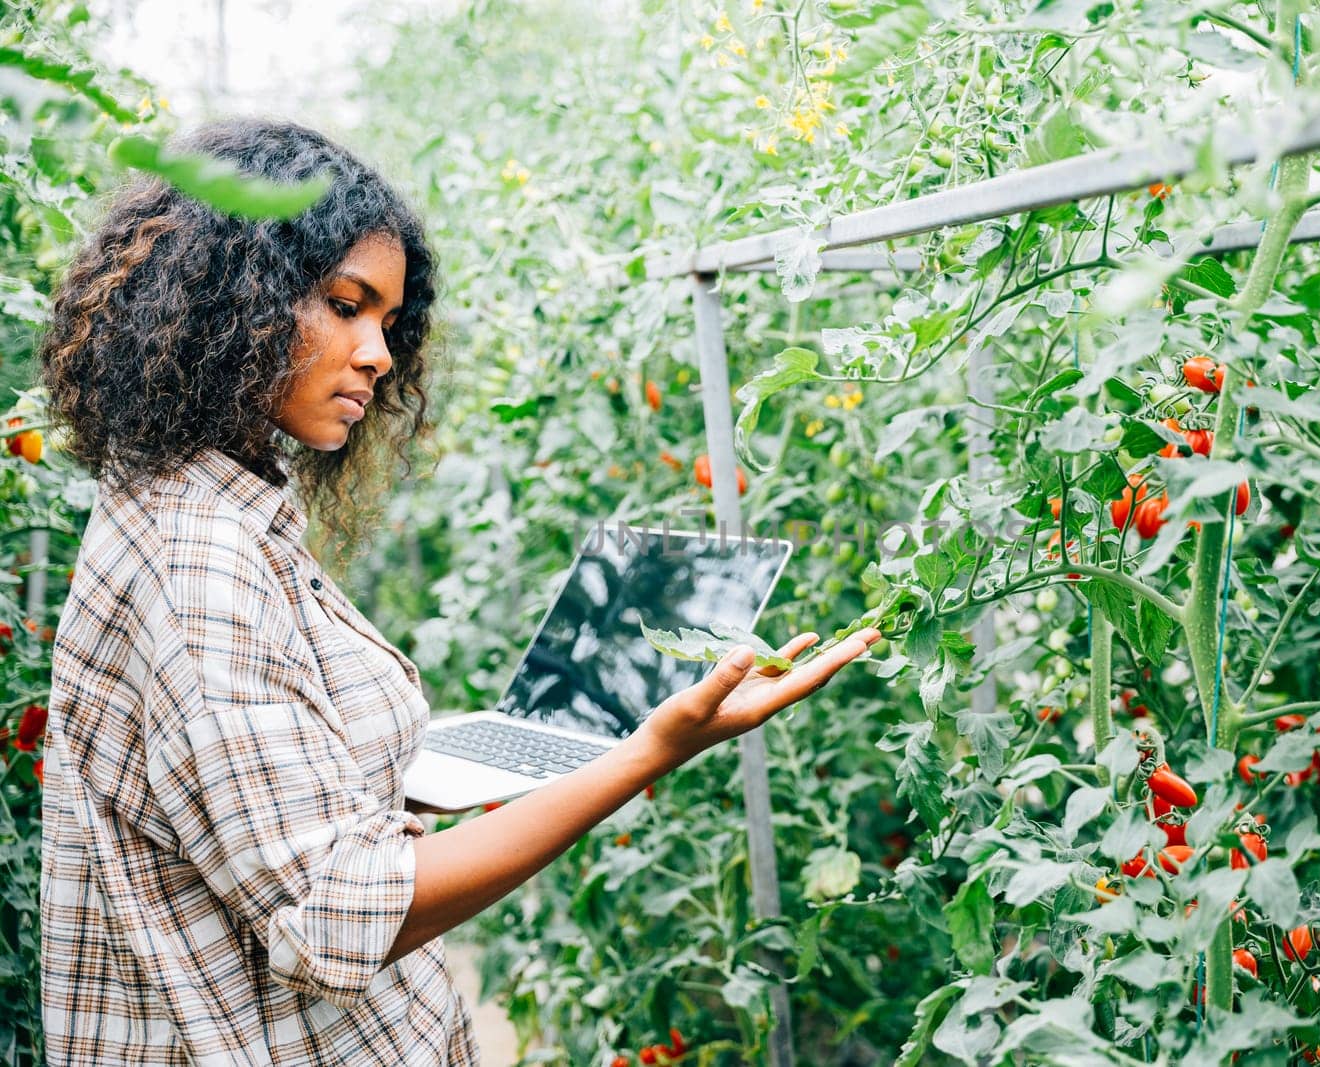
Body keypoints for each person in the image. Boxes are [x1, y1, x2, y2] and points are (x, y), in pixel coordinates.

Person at [34, 117, 879, 1066]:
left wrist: (422, 762)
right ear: (231, 301)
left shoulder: (204, 502)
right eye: (345, 305)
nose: (378, 354)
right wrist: (650, 748)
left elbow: (244, 790)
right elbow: (335, 917)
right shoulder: (199, 559)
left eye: (388, 323)